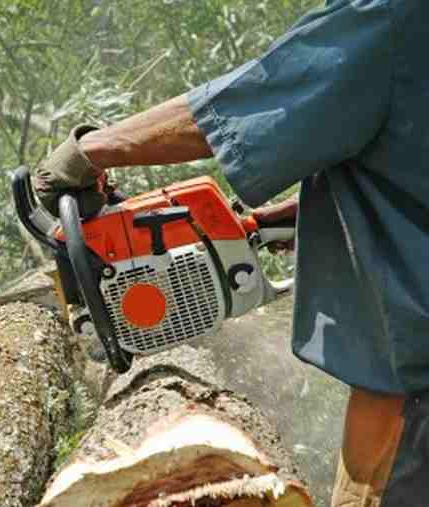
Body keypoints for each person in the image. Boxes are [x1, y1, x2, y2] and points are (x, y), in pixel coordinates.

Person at [34, 0, 429, 505]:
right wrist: (320, 211)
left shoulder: (390, 14)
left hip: (411, 405)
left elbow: (258, 101)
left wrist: (89, 152)